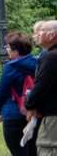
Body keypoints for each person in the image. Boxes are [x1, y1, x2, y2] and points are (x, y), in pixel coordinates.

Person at [0, 32, 37, 156]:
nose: (6, 50)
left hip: (13, 114)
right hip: (34, 114)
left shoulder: (11, 67)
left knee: (18, 150)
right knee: (33, 151)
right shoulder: (38, 62)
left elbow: (1, 92)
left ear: (16, 51)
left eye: (8, 47)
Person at [26, 20, 57, 156]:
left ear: (52, 35)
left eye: (41, 31)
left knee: (47, 148)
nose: (37, 35)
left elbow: (41, 85)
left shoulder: (51, 57)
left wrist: (30, 104)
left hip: (53, 115)